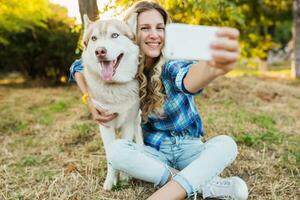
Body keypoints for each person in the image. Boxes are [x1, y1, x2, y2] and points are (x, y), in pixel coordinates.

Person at [69, 1, 248, 199]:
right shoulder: (124, 65)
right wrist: (88, 99)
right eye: (144, 28)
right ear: (132, 33)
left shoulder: (173, 63)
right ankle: (205, 185)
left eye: (160, 28)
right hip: (155, 152)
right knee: (116, 151)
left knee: (226, 144)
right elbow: (78, 65)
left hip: (189, 148)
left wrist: (212, 68)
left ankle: (168, 193)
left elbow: (188, 79)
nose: (154, 34)